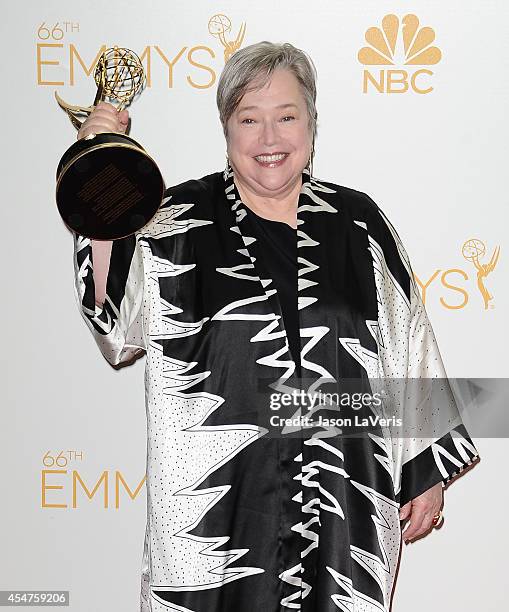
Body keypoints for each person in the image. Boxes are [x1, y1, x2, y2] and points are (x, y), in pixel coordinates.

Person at [71, 41, 480, 612]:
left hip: (344, 514)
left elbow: (408, 342)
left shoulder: (358, 223)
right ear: (226, 129)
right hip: (214, 518)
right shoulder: (171, 222)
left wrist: (423, 468)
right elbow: (116, 325)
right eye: (249, 119)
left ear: (312, 123)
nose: (269, 140)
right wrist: (100, 179)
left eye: (287, 117)